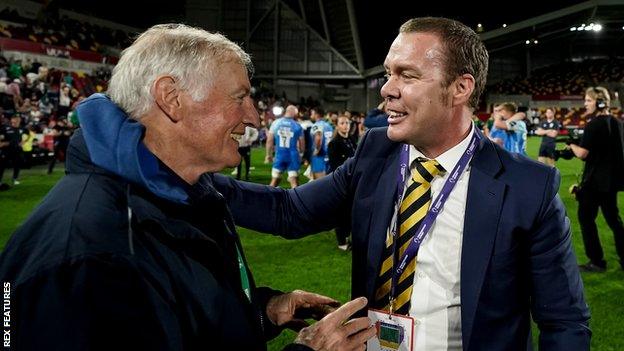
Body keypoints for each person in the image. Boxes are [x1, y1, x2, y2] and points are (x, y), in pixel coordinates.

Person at [214, 17, 590, 350]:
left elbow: (564, 322)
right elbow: (289, 211)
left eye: (406, 75)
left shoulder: (528, 186)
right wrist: (192, 175)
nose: (386, 89)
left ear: (460, 88)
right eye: (389, 72)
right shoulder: (376, 152)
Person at [0, 24, 375, 351]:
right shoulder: (86, 255)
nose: (254, 116)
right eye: (239, 97)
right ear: (171, 98)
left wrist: (261, 312)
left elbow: (175, 322)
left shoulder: (186, 192)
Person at [568, 86, 624, 272]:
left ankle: (597, 262)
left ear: (599, 102)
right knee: (614, 221)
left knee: (586, 219)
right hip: (612, 182)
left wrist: (571, 146)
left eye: (588, 100)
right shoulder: (618, 123)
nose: (585, 103)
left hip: (593, 182)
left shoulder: (593, 124)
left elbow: (583, 154)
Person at [327, 115, 357, 251]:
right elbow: (335, 166)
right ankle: (342, 242)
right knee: (341, 213)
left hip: (354, 182)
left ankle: (349, 237)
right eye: (342, 123)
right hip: (341, 183)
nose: (346, 125)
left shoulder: (351, 139)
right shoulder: (334, 143)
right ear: (337, 125)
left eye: (347, 123)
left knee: (352, 212)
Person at [266, 104, 304, 188]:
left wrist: (268, 155)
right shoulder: (297, 125)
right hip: (293, 156)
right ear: (293, 112)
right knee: (294, 183)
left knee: (274, 181)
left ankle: (268, 199)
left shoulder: (275, 123)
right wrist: (301, 154)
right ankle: (295, 200)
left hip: (280, 155)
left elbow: (269, 140)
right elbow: (302, 143)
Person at [0, 114, 27, 185]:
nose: (16, 120)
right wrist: (2, 143)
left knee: (17, 165)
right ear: (11, 120)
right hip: (6, 150)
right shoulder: (5, 128)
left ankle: (15, 179)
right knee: (2, 166)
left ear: (20, 120)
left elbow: (27, 136)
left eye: (18, 118)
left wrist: (23, 142)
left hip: (17, 150)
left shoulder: (22, 128)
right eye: (14, 118)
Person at [309, 107, 333, 179]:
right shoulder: (328, 125)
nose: (311, 115)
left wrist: (316, 151)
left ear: (317, 115)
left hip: (319, 156)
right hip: (328, 155)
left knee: (319, 181)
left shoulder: (316, 125)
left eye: (312, 113)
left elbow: (318, 137)